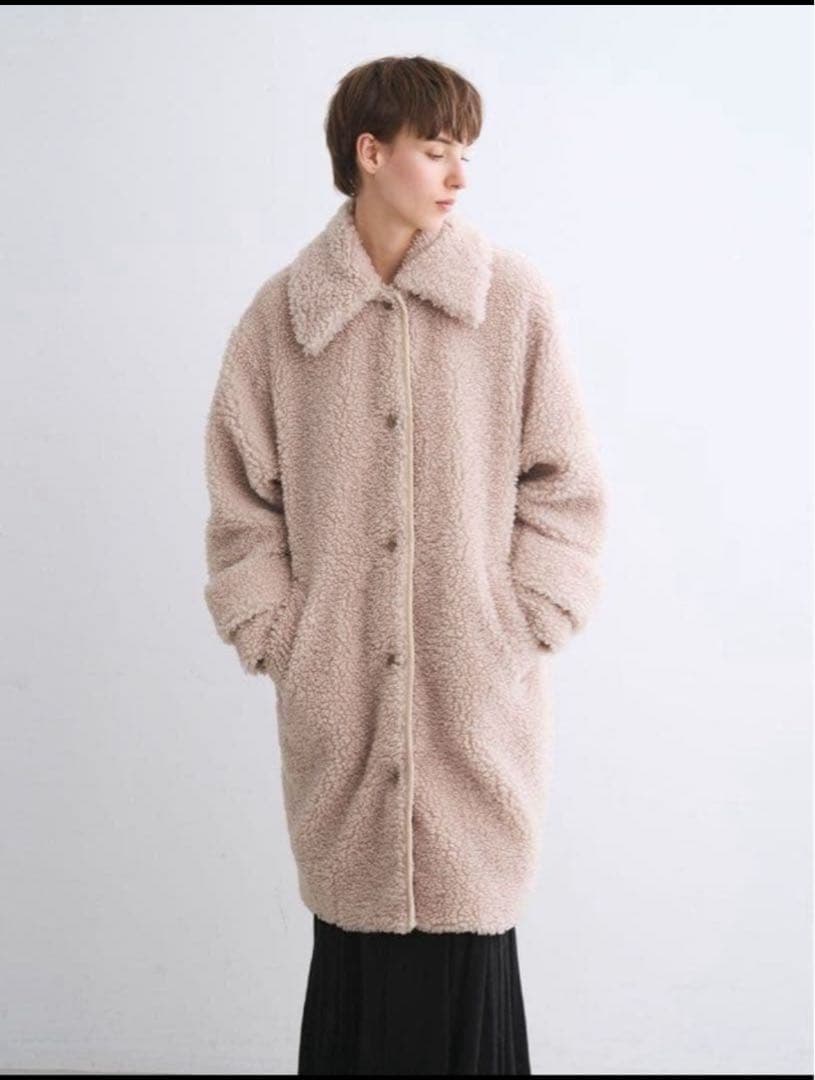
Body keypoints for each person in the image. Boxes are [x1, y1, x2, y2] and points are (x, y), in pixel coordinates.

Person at [204, 54, 608, 1075]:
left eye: (464, 152)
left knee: (470, 972)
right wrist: (286, 639)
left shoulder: (509, 302)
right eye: (436, 150)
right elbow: (241, 509)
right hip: (340, 717)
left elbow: (564, 486)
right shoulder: (281, 321)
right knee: (355, 973)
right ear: (370, 153)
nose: (458, 175)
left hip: (476, 710)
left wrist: (519, 620)